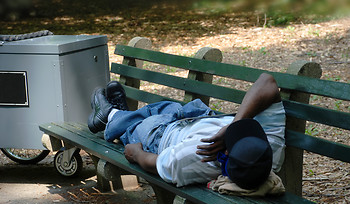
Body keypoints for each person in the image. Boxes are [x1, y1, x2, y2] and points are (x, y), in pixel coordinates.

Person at [87, 73, 286, 190]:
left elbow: (158, 164)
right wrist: (232, 126)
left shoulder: (197, 158)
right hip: (195, 115)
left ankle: (112, 116)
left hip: (159, 134)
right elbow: (266, 81)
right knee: (157, 109)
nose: (239, 129)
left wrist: (136, 153)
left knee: (137, 124)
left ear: (225, 154)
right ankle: (118, 115)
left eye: (237, 134)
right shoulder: (270, 149)